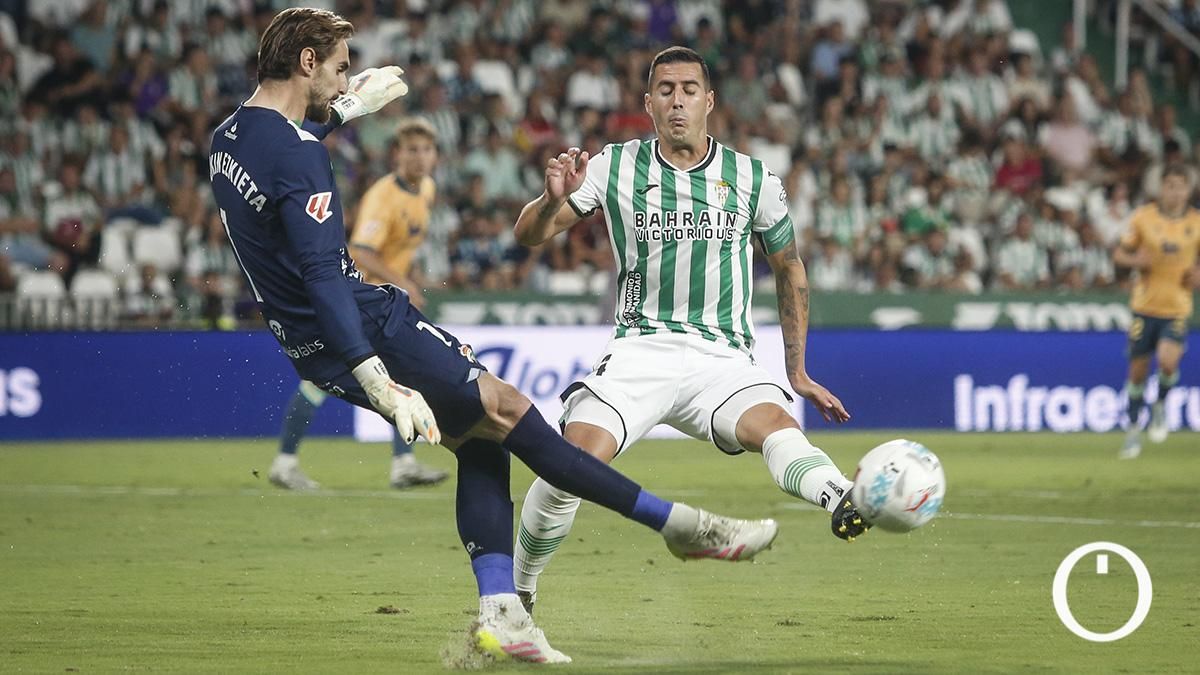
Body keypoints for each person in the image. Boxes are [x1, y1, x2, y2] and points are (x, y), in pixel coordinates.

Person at [209, 9, 778, 664]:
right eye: (339, 69)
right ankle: (682, 525)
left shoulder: (230, 138)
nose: (345, 81)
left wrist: (343, 111)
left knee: (480, 435)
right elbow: (321, 272)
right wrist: (381, 380)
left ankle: (502, 612)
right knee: (509, 409)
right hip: (364, 325)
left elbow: (275, 161)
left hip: (304, 344)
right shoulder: (302, 155)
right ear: (306, 63)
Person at [510, 46, 867, 616]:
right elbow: (529, 236)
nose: (678, 100)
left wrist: (796, 368)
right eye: (666, 90)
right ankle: (518, 592)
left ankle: (840, 498)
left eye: (690, 89)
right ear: (648, 102)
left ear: (710, 101)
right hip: (638, 352)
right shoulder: (613, 166)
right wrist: (549, 202)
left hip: (721, 359)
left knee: (774, 425)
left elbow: (789, 266)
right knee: (567, 466)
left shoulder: (753, 179)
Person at [269, 117, 448, 490]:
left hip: (386, 298)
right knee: (326, 381)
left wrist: (412, 279)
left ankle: (402, 464)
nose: (419, 158)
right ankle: (286, 464)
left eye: (426, 150)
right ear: (396, 154)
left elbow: (398, 250)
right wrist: (403, 282)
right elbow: (361, 252)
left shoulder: (426, 190)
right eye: (411, 150)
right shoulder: (384, 198)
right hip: (359, 298)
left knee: (398, 377)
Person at [1114, 165, 1200, 458]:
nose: (1175, 192)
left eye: (1180, 186)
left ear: (1188, 190)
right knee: (1137, 374)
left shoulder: (1196, 223)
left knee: (1166, 361)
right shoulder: (1143, 218)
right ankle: (1133, 430)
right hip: (1144, 307)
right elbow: (1119, 253)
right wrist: (1135, 259)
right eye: (1170, 185)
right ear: (1161, 188)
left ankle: (1160, 404)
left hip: (1176, 309)